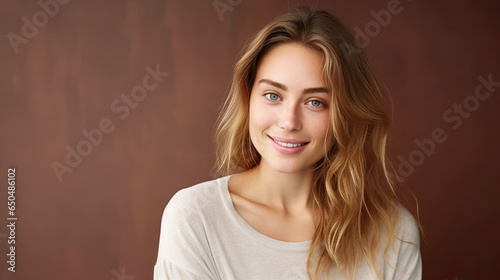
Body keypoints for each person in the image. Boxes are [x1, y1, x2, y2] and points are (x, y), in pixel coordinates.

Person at [154, 6, 422, 280]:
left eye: (315, 102)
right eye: (273, 95)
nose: (289, 121)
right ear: (248, 98)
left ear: (346, 114)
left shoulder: (394, 234)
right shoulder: (194, 218)